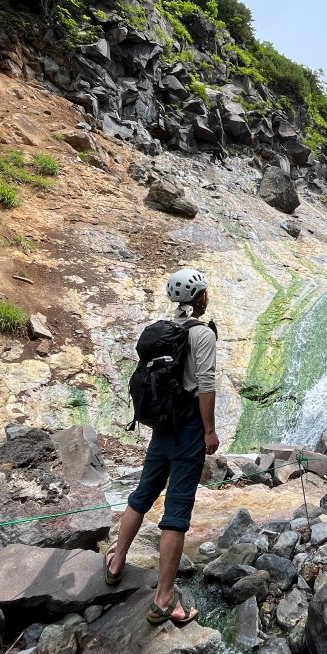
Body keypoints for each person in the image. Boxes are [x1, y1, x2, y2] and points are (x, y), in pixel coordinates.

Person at [105, 267, 220, 625]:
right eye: (205, 291)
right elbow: (205, 386)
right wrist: (209, 431)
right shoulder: (201, 335)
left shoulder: (165, 331)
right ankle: (165, 599)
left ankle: (116, 561)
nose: (206, 296)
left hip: (162, 427)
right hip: (187, 429)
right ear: (199, 297)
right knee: (177, 512)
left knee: (142, 494)